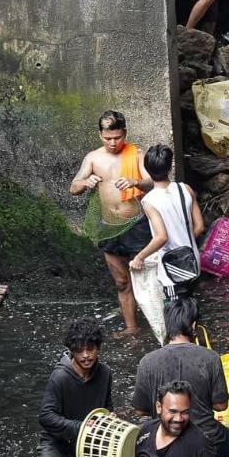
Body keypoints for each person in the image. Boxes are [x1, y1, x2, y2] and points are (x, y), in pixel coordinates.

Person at [132, 297, 229, 457]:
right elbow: (221, 405)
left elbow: (140, 410)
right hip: (207, 437)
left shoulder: (147, 361)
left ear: (167, 326)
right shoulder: (210, 357)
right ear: (193, 326)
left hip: (161, 438)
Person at [68, 111, 153, 330]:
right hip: (109, 228)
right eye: (108, 138)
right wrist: (86, 182)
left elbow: (152, 183)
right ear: (100, 135)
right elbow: (73, 187)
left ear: (124, 133)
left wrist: (135, 181)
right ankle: (132, 328)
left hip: (136, 224)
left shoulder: (136, 154)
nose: (113, 143)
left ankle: (159, 325)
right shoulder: (93, 158)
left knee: (149, 281)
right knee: (122, 282)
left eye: (117, 137)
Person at [37, 317, 113, 457]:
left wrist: (110, 419)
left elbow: (107, 408)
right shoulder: (60, 377)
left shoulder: (105, 373)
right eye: (79, 350)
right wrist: (81, 426)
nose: (86, 355)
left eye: (91, 349)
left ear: (99, 348)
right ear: (72, 351)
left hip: (89, 445)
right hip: (58, 443)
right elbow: (46, 417)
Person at [129, 144, 204, 300]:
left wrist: (140, 257)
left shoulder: (149, 201)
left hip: (172, 267)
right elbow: (200, 227)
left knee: (176, 314)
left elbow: (161, 237)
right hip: (193, 260)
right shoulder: (186, 189)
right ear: (170, 167)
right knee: (191, 307)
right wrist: (184, 240)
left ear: (147, 170)